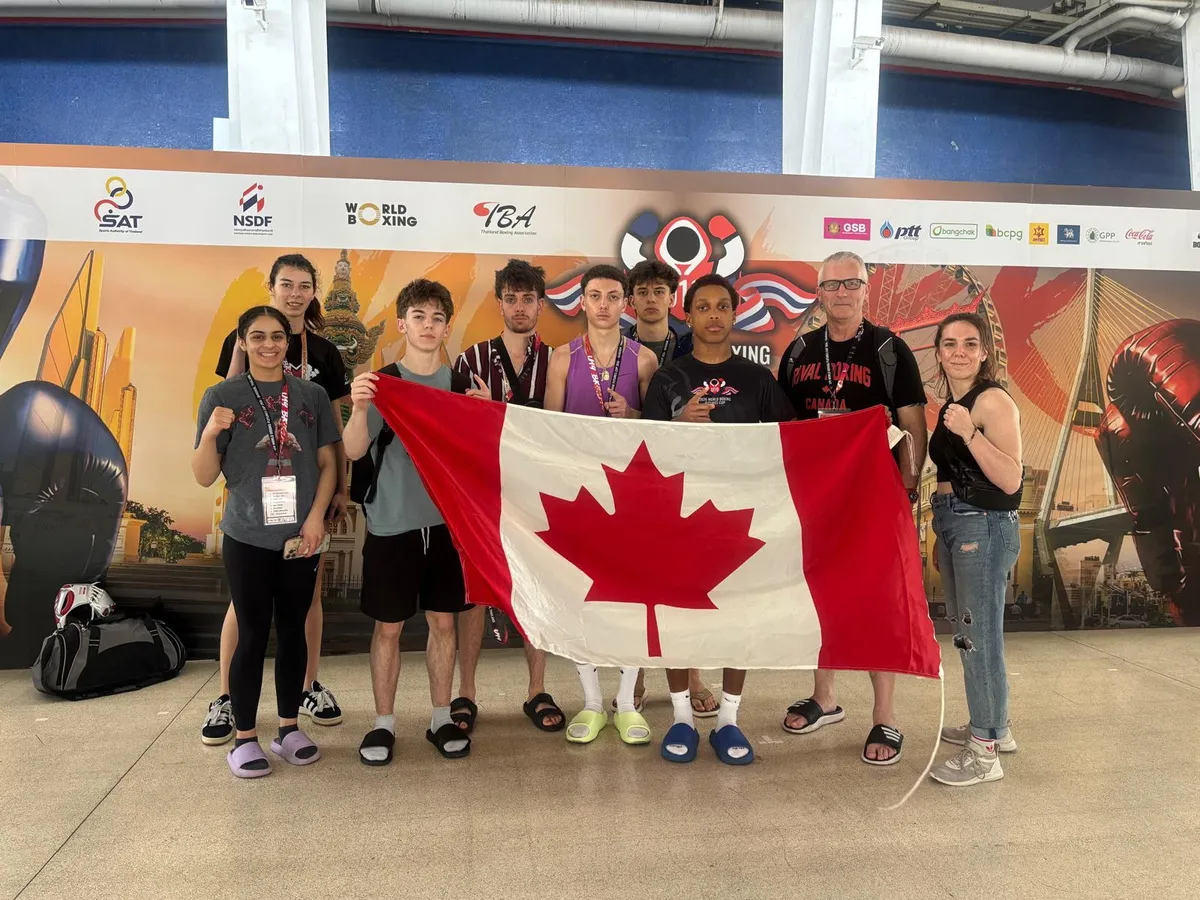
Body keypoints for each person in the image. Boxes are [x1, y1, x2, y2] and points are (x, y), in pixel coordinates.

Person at [776, 250, 929, 766]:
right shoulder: (797, 352)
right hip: (819, 498)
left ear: (866, 289)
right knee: (823, 594)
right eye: (830, 285)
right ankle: (825, 697)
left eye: (851, 284)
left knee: (878, 602)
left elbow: (913, 424)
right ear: (818, 293)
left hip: (875, 496)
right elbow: (785, 430)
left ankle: (885, 716)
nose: (840, 294)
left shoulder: (890, 350)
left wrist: (906, 489)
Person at [642, 274, 795, 765]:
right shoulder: (669, 378)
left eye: (722, 306)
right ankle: (682, 716)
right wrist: (676, 424)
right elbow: (642, 453)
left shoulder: (758, 380)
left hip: (738, 520)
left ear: (734, 314)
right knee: (678, 618)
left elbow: (792, 445)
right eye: (703, 306)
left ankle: (729, 719)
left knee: (738, 620)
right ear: (688, 315)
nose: (713, 314)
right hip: (679, 518)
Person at [201, 254, 350, 747]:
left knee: (305, 604)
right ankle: (228, 696)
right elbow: (229, 404)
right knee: (246, 613)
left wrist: (340, 487)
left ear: (314, 293)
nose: (294, 293)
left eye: (304, 286)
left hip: (305, 498)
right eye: (285, 284)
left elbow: (331, 434)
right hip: (252, 508)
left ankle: (304, 690)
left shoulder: (323, 356)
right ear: (271, 287)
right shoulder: (241, 341)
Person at [343, 279, 478, 763]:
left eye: (437, 318)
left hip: (446, 529)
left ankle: (442, 716)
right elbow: (355, 450)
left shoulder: (462, 388)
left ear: (446, 329)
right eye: (418, 316)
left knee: (444, 624)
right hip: (391, 526)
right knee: (389, 629)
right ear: (402, 324)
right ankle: (383, 724)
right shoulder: (382, 385)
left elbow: (478, 460)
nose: (427, 325)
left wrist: (481, 417)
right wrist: (359, 407)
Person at [544, 264, 659, 746]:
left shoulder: (647, 359)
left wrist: (632, 414)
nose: (605, 305)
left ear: (625, 302)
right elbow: (547, 429)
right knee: (581, 599)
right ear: (583, 303)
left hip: (631, 498)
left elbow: (657, 432)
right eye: (596, 296)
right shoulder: (561, 358)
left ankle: (627, 702)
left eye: (614, 296)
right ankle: (592, 702)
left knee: (635, 601)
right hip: (581, 496)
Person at [453, 258, 564, 732]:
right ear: (500, 303)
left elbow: (562, 431)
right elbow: (453, 432)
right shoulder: (470, 360)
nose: (520, 307)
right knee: (475, 595)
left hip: (538, 493)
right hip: (482, 491)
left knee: (535, 586)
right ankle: (466, 692)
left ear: (541, 304)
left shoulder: (559, 360)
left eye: (528, 299)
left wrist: (498, 411)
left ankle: (537, 688)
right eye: (512, 298)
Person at [928, 312, 1023, 786]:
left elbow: (1010, 479)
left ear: (985, 351)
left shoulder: (991, 401)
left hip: (980, 525)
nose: (959, 352)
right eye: (949, 344)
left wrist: (968, 433)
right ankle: (995, 728)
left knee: (977, 639)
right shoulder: (958, 400)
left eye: (969, 343)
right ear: (939, 352)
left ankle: (984, 754)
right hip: (957, 522)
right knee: (975, 636)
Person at [620, 259, 716, 718]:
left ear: (672, 298)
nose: (651, 298)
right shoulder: (614, 347)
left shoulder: (691, 347)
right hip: (631, 479)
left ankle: (692, 674)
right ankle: (633, 676)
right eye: (642, 290)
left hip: (682, 476)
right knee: (633, 577)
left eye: (660, 290)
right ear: (630, 299)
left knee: (685, 577)